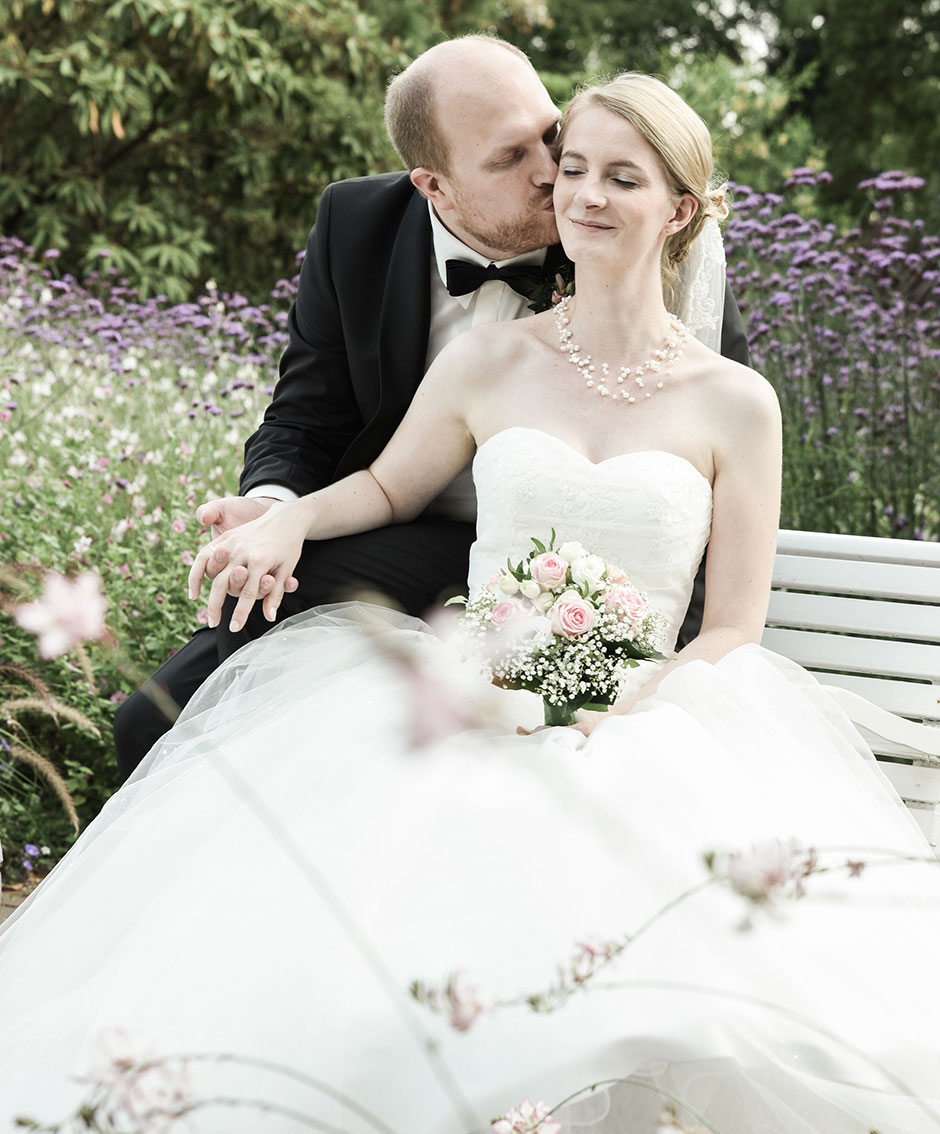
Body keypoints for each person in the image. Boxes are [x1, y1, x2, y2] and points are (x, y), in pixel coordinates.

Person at [2, 73, 938, 1134]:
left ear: (679, 208)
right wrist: (284, 518)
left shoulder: (737, 401)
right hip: (473, 682)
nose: (577, 193)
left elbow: (732, 624)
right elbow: (390, 487)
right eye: (570, 167)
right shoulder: (488, 356)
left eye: (619, 177)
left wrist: (628, 712)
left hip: (650, 715)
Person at [112, 34, 749, 779]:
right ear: (435, 186)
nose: (557, 177)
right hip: (399, 526)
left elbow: (699, 483)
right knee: (156, 717)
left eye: (551, 137)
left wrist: (659, 672)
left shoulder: (630, 233)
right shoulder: (358, 225)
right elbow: (306, 413)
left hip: (578, 574)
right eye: (511, 159)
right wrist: (278, 509)